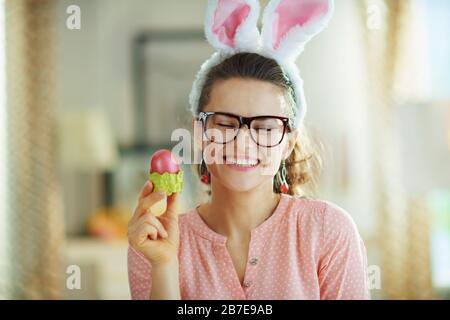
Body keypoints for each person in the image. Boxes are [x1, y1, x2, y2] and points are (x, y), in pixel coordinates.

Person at [127, 0, 370, 300]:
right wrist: (164, 265)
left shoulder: (328, 231)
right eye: (226, 124)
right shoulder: (153, 241)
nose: (243, 142)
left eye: (266, 127)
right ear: (200, 133)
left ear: (288, 142)